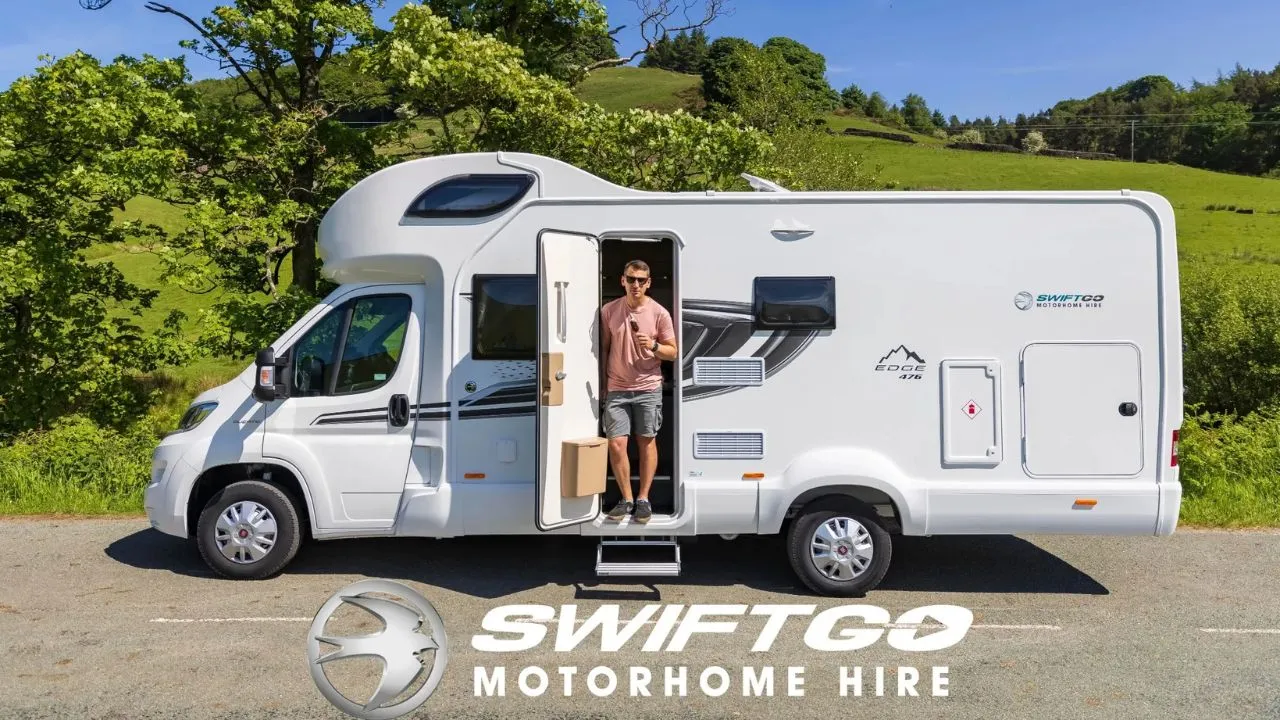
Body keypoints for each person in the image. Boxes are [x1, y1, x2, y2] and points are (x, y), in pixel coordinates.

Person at [599, 259, 677, 523]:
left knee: (646, 442)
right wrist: (602, 383)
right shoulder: (609, 311)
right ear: (622, 280)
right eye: (631, 279)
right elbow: (605, 348)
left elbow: (673, 352)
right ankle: (626, 499)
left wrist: (654, 346)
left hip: (648, 387)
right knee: (617, 444)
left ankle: (643, 499)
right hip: (617, 388)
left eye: (641, 280)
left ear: (648, 283)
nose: (635, 284)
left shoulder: (659, 313)